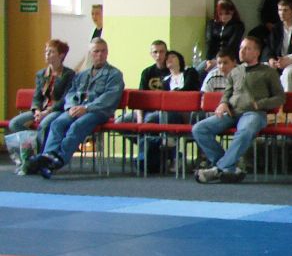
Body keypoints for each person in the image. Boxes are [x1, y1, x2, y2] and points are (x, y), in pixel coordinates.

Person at [25, 38, 125, 179]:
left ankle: (59, 160)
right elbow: (71, 93)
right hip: (77, 109)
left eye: (103, 51)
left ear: (107, 53)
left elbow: (109, 98)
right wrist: (71, 106)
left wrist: (86, 108)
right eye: (96, 51)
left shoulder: (114, 74)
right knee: (58, 123)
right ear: (90, 54)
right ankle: (48, 156)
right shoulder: (82, 75)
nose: (100, 55)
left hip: (98, 112)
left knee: (77, 126)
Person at [192, 35, 284, 184]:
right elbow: (227, 93)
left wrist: (260, 104)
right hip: (232, 112)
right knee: (199, 129)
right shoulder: (235, 72)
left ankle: (218, 169)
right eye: (241, 48)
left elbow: (280, 97)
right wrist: (223, 103)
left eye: (247, 48)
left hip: (253, 113)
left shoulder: (268, 72)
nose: (242, 51)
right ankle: (227, 168)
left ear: (257, 52)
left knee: (245, 131)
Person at [6, 39, 76, 154]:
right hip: (42, 109)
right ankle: (33, 145)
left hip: (57, 110)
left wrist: (47, 112)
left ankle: (39, 156)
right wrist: (37, 110)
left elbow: (66, 98)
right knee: (14, 123)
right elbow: (37, 96)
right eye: (46, 51)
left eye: (51, 52)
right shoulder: (41, 74)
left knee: (44, 125)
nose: (47, 54)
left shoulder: (69, 74)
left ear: (61, 55)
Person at [138, 50, 201, 174]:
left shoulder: (189, 72)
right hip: (169, 112)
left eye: (173, 57)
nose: (169, 60)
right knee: (159, 115)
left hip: (188, 112)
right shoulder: (166, 81)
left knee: (152, 118)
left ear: (180, 59)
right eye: (167, 59)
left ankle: (168, 144)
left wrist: (174, 94)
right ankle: (163, 151)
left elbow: (190, 90)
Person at [200, 0, 245, 73]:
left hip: (229, 58)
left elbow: (232, 45)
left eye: (227, 13)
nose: (224, 16)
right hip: (212, 58)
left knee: (214, 72)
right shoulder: (212, 24)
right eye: (220, 14)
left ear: (232, 12)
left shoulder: (238, 25)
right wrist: (208, 60)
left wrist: (217, 61)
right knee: (198, 71)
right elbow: (209, 42)